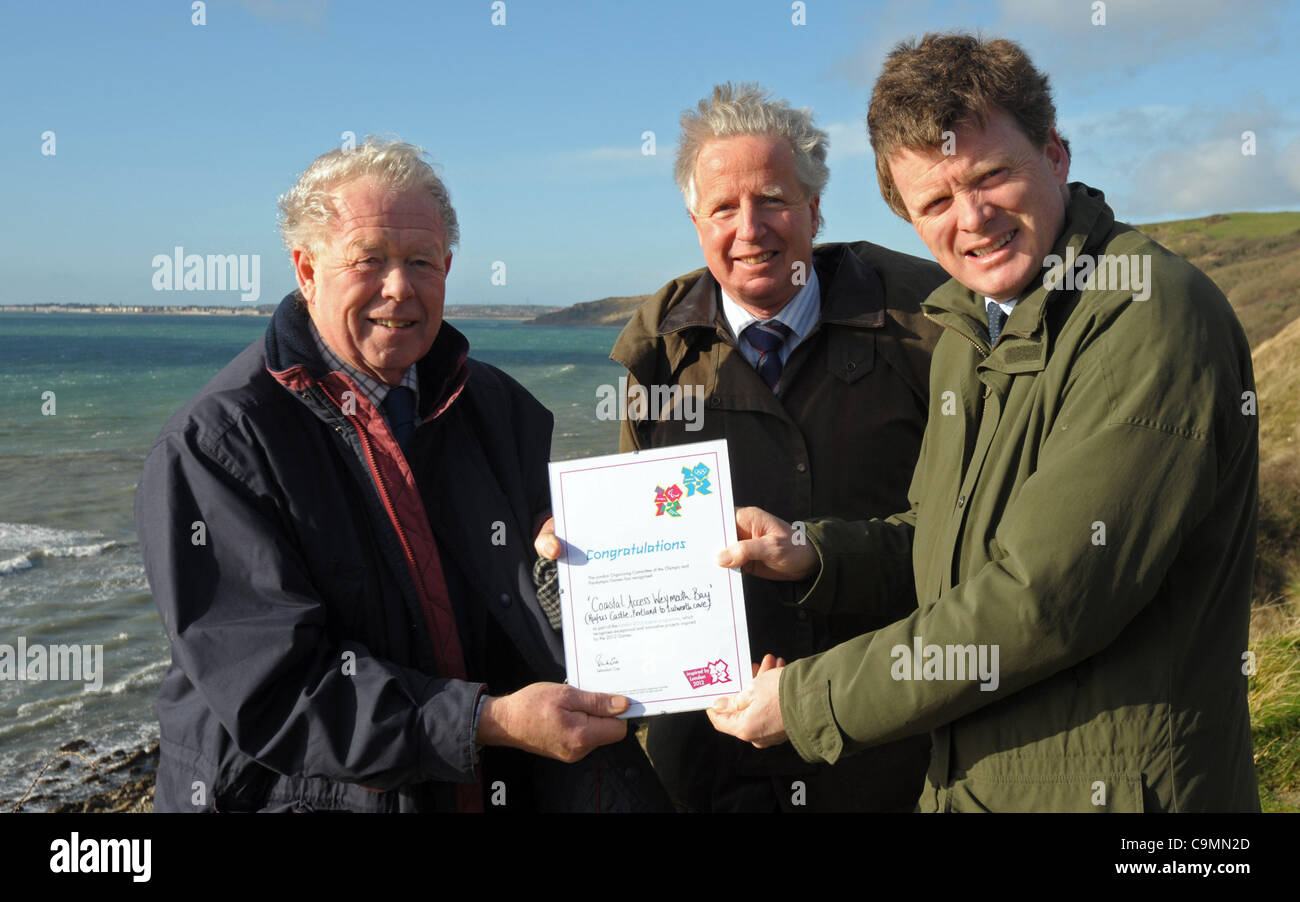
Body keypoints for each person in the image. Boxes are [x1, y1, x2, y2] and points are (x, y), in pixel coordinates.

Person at [707, 33, 1261, 812]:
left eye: (992, 176)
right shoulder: (972, 329)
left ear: (1055, 154)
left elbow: (1042, 599)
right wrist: (813, 552)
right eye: (935, 201)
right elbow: (948, 541)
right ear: (906, 214)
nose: (973, 219)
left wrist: (809, 701)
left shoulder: (1150, 316)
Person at [136, 137, 668, 812]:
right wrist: (489, 722)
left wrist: (582, 568)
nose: (400, 287)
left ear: (447, 267)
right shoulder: (218, 445)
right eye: (370, 260)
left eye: (421, 261)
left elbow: (527, 608)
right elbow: (276, 690)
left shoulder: (499, 408)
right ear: (305, 268)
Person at [607, 82, 946, 811]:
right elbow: (646, 546)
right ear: (696, 220)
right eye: (724, 208)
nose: (750, 229)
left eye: (774, 201)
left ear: (816, 210)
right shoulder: (654, 357)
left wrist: (822, 553)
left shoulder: (927, 331)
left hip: (885, 744)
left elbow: (969, 541)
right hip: (708, 752)